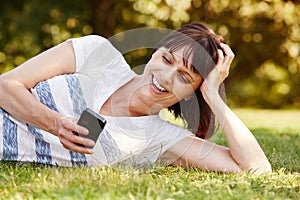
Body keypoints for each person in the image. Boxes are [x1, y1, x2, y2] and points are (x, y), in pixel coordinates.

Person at [0, 23, 271, 173]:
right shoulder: (98, 52)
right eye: (166, 58)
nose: (165, 77)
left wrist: (213, 94)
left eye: (185, 78)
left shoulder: (162, 137)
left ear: (191, 96)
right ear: (154, 52)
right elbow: (6, 84)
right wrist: (55, 123)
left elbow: (257, 168)